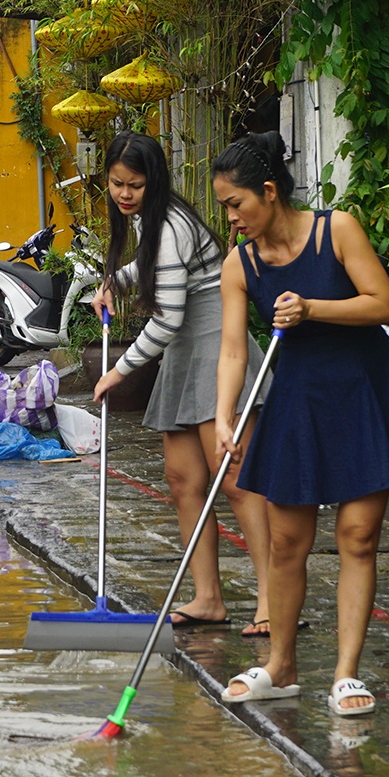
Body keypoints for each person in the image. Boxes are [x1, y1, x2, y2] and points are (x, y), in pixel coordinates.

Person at [211, 131, 389, 718]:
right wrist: (226, 415)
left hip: (361, 392)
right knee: (286, 542)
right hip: (297, 401)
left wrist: (312, 308)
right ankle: (280, 667)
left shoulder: (338, 230)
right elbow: (233, 350)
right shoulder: (240, 264)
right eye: (225, 207)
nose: (231, 218)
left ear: (269, 191)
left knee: (358, 536)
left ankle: (346, 673)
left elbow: (382, 304)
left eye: (235, 204)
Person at [89, 133, 273, 633]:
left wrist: (117, 372)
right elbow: (157, 270)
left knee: (233, 480)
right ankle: (208, 597)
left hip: (215, 344)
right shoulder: (152, 221)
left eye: (135, 185)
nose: (124, 194)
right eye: (117, 183)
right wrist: (114, 282)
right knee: (183, 480)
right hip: (184, 353)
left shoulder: (170, 223)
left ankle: (273, 600)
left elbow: (167, 319)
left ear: (154, 182)